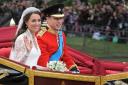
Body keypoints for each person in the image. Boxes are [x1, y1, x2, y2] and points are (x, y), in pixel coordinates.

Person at [37, 4, 79, 73]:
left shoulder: (61, 34)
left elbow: (65, 54)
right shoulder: (41, 37)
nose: (59, 21)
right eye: (56, 18)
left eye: (61, 18)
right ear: (47, 18)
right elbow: (43, 63)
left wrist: (73, 67)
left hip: (60, 70)